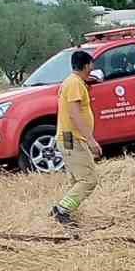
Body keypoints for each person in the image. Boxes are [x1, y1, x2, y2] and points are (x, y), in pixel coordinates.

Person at [51, 49, 101, 228]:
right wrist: (90, 139)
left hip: (68, 137)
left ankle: (67, 211)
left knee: (76, 180)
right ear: (86, 65)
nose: (93, 69)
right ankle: (62, 210)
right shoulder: (74, 84)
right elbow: (74, 113)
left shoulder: (74, 82)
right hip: (72, 138)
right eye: (91, 65)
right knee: (88, 180)